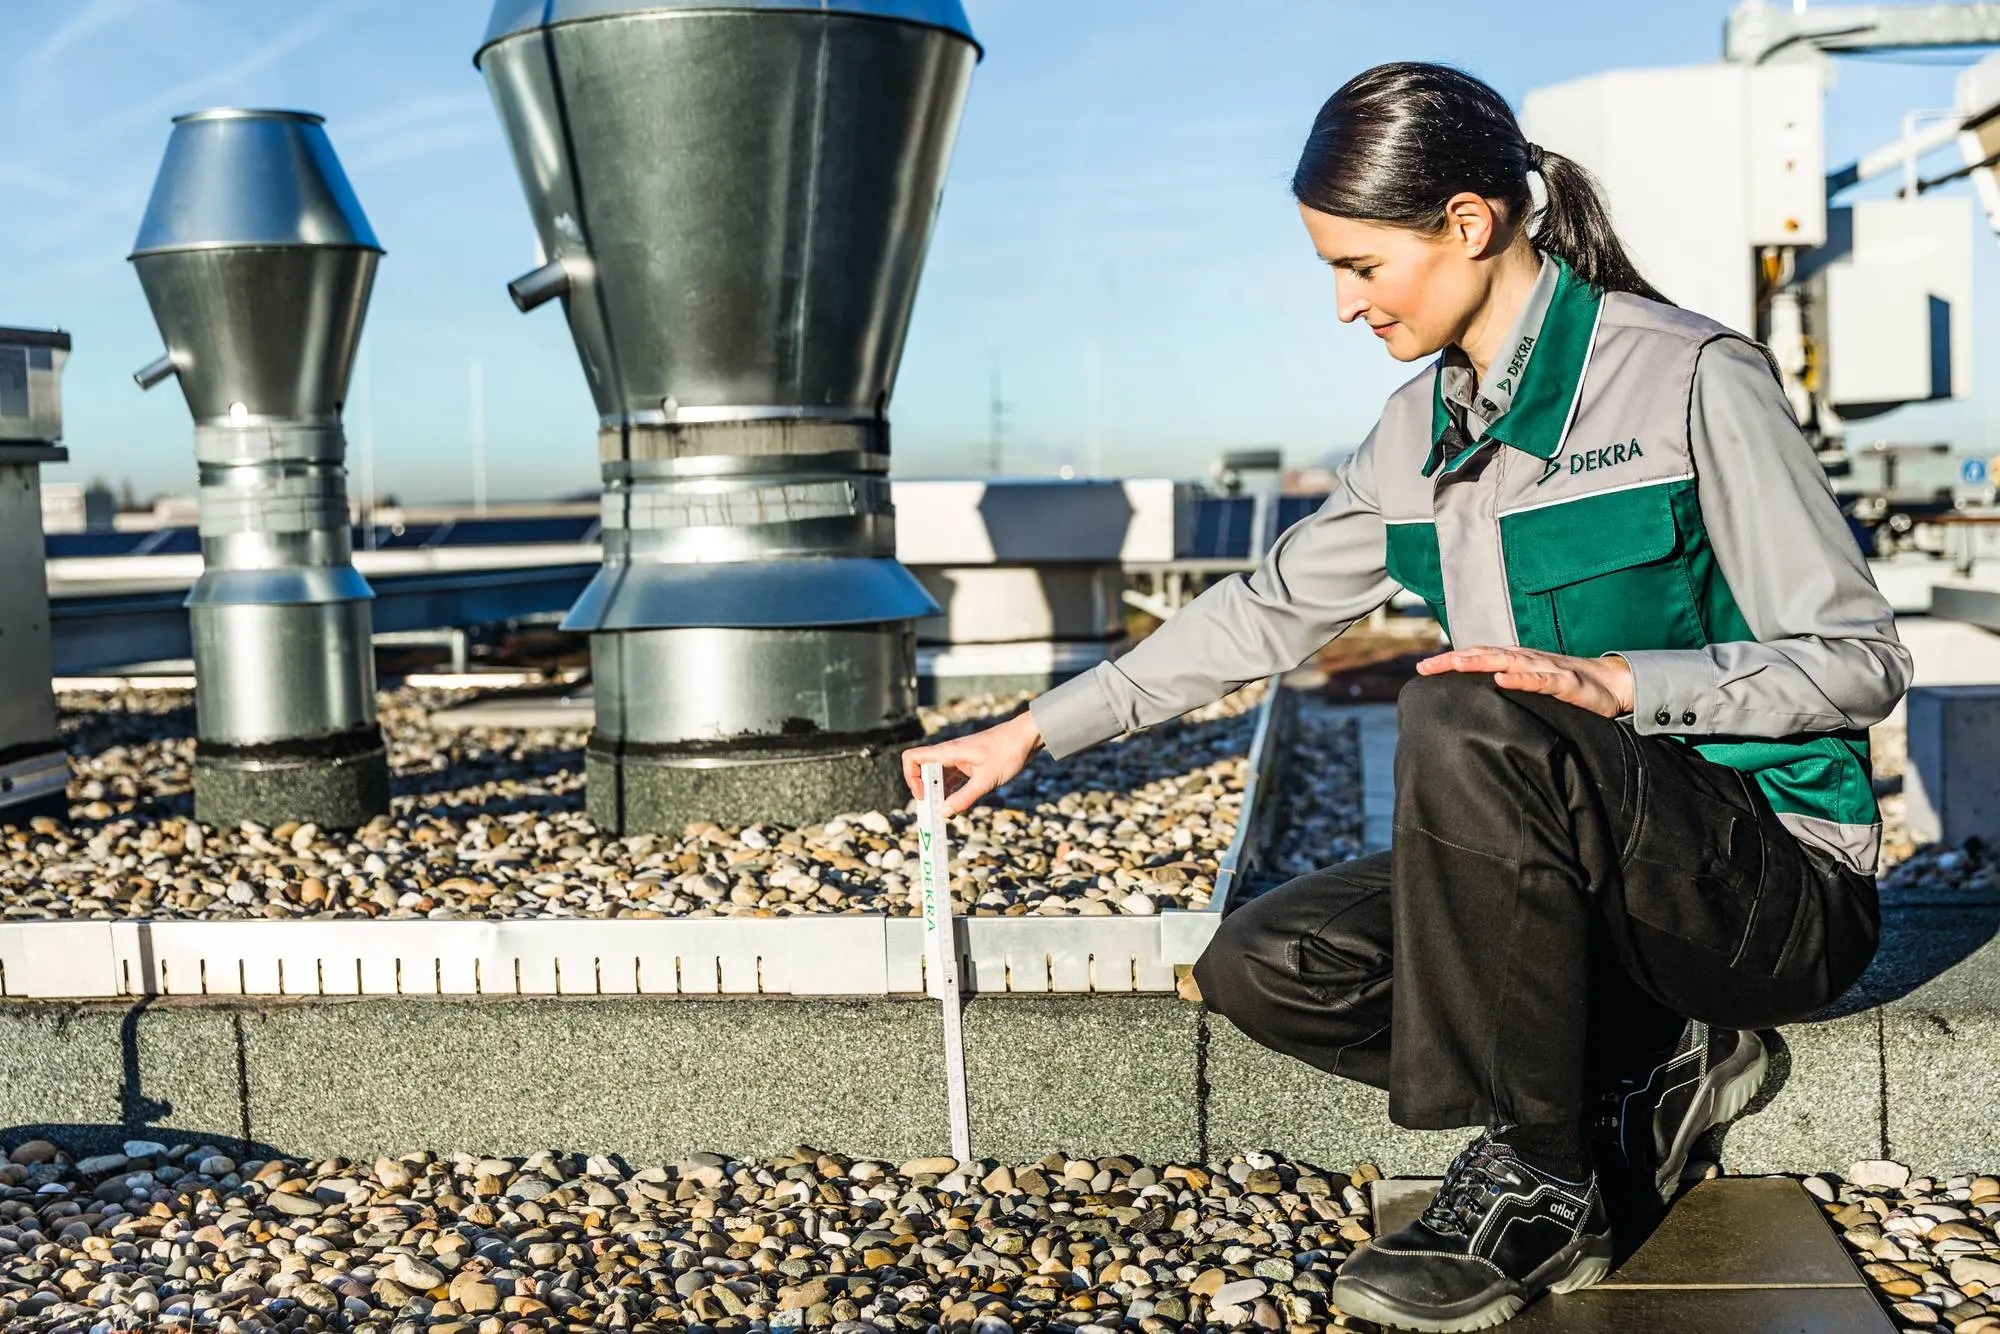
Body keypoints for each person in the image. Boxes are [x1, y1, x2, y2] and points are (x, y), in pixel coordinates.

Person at [899, 60, 1909, 1333]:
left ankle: (1544, 1178)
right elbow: (1260, 609)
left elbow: (1859, 656)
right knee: (1267, 964)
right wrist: (1033, 728)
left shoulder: (1692, 377)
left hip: (1769, 882)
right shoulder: (1407, 435)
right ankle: (1654, 1062)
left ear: (1469, 224)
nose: (1340, 304)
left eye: (1359, 266)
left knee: (1459, 708)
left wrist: (1618, 682)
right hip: (1580, 880)